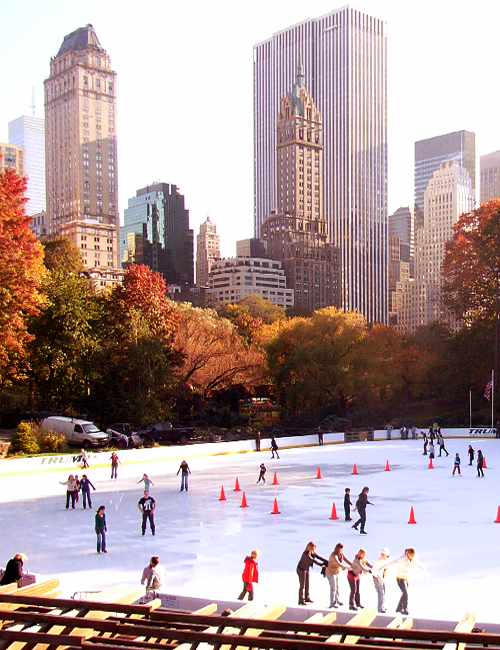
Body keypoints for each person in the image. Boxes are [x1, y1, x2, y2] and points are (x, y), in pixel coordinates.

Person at [386, 548, 425, 615]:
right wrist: (383, 567)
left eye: (413, 555)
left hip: (406, 578)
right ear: (408, 554)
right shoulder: (402, 558)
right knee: (406, 593)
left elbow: (418, 565)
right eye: (411, 555)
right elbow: (394, 562)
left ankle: (398, 609)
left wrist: (423, 571)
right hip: (400, 578)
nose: (412, 557)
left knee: (404, 594)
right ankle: (405, 608)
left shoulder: (414, 558)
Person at [325, 543, 351, 608]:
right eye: (341, 549)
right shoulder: (333, 555)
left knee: (337, 587)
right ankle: (332, 603)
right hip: (330, 572)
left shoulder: (341, 554)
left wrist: (352, 564)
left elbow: (346, 559)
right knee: (333, 587)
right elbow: (338, 563)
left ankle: (337, 600)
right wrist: (345, 567)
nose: (342, 550)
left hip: (336, 572)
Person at [372, 547, 390, 613]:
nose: (382, 555)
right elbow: (374, 570)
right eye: (381, 554)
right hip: (377, 578)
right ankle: (380, 608)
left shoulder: (387, 560)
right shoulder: (378, 561)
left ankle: (383, 605)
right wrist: (379, 578)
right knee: (381, 592)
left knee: (383, 592)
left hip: (382, 578)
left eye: (383, 554)